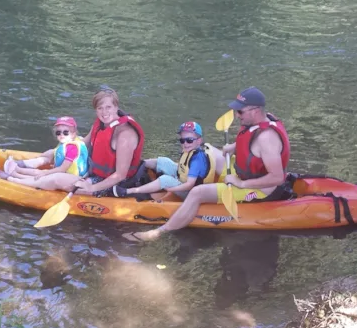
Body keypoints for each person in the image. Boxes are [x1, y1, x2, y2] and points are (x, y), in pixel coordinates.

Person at [123, 86, 291, 242]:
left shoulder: (267, 138)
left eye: (240, 111)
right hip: (243, 173)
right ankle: (190, 173)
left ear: (255, 111)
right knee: (212, 152)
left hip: (260, 189)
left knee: (197, 192)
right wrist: (233, 146)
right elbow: (251, 142)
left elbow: (276, 177)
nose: (237, 115)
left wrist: (240, 183)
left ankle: (159, 232)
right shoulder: (261, 120)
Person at [114, 121, 225, 200]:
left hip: (190, 192)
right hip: (182, 177)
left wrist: (171, 189)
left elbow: (190, 185)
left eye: (189, 140)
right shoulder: (191, 150)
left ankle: (130, 191)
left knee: (165, 179)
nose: (185, 143)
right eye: (182, 140)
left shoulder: (197, 160)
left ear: (199, 141)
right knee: (164, 161)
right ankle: (136, 164)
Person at [73, 88, 147, 196]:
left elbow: (120, 175)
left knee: (56, 181)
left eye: (108, 107)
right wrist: (62, 150)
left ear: (116, 107)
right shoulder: (100, 124)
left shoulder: (126, 135)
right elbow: (83, 144)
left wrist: (91, 188)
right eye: (100, 108)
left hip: (118, 185)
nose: (104, 112)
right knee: (56, 158)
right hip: (94, 174)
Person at [0, 116, 90, 191]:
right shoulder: (65, 143)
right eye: (58, 133)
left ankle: (13, 177)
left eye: (65, 132)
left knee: (42, 175)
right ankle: (15, 171)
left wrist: (46, 173)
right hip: (63, 173)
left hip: (72, 178)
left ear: (73, 134)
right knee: (41, 173)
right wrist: (41, 157)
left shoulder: (73, 147)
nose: (61, 135)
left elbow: (63, 168)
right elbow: (56, 152)